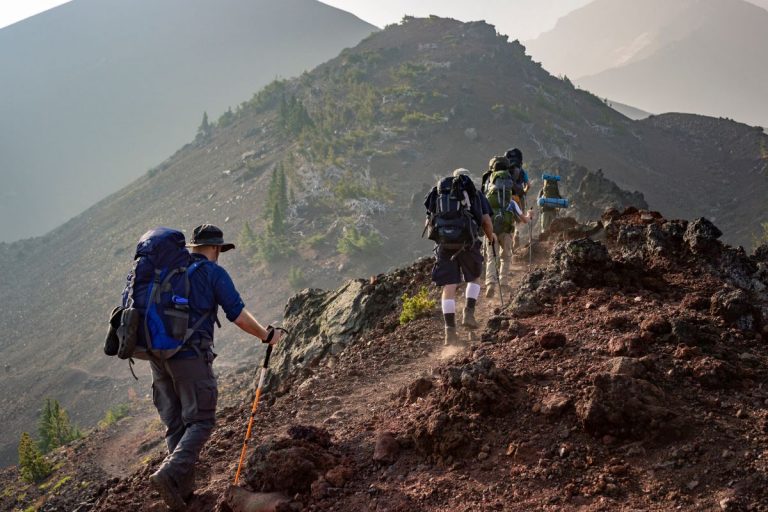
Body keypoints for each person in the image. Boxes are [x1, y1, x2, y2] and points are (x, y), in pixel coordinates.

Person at [149, 224, 283, 511]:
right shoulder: (212, 273)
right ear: (215, 248)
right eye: (220, 249)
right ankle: (169, 475)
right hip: (190, 357)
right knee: (201, 421)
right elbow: (237, 314)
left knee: (177, 424)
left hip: (157, 357)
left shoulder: (168, 272)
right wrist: (266, 335)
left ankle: (182, 497)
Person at [424, 169, 496, 345]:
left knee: (449, 287)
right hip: (467, 243)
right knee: (474, 278)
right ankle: (469, 313)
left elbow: (429, 222)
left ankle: (450, 333)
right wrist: (490, 238)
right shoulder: (475, 194)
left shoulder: (438, 194)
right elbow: (486, 221)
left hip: (444, 246)